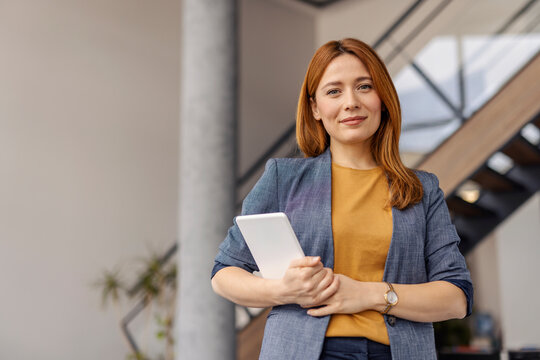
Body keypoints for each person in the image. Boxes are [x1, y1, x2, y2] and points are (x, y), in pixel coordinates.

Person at [211, 38, 473, 360]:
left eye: (364, 87)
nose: (351, 102)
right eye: (334, 91)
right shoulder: (284, 178)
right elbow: (224, 273)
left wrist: (368, 294)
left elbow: (456, 298)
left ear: (383, 98)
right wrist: (282, 290)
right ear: (315, 108)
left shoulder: (422, 189)